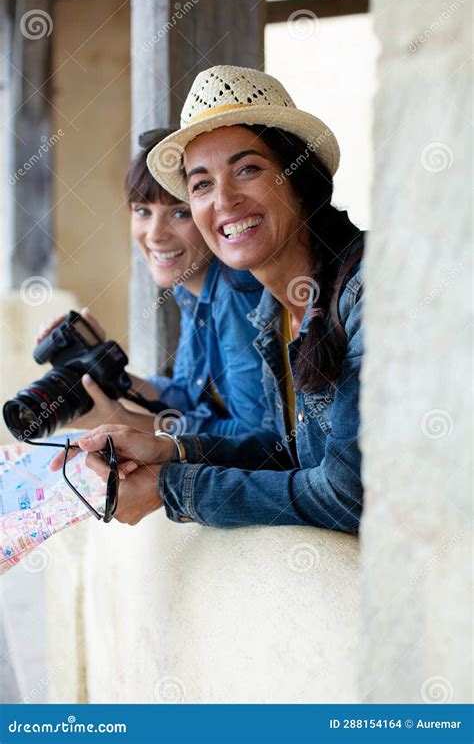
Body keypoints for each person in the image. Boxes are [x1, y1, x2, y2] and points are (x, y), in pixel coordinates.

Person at [53, 65, 366, 534]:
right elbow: (284, 452)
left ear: (300, 180)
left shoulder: (369, 292)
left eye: (247, 169)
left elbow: (349, 497)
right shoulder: (272, 314)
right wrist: (169, 449)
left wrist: (172, 486)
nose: (224, 199)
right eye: (201, 184)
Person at [40, 137, 265, 436]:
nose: (155, 235)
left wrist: (127, 422)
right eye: (142, 211)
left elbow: (261, 442)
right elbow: (186, 394)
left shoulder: (236, 294)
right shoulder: (191, 289)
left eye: (179, 212)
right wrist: (104, 366)